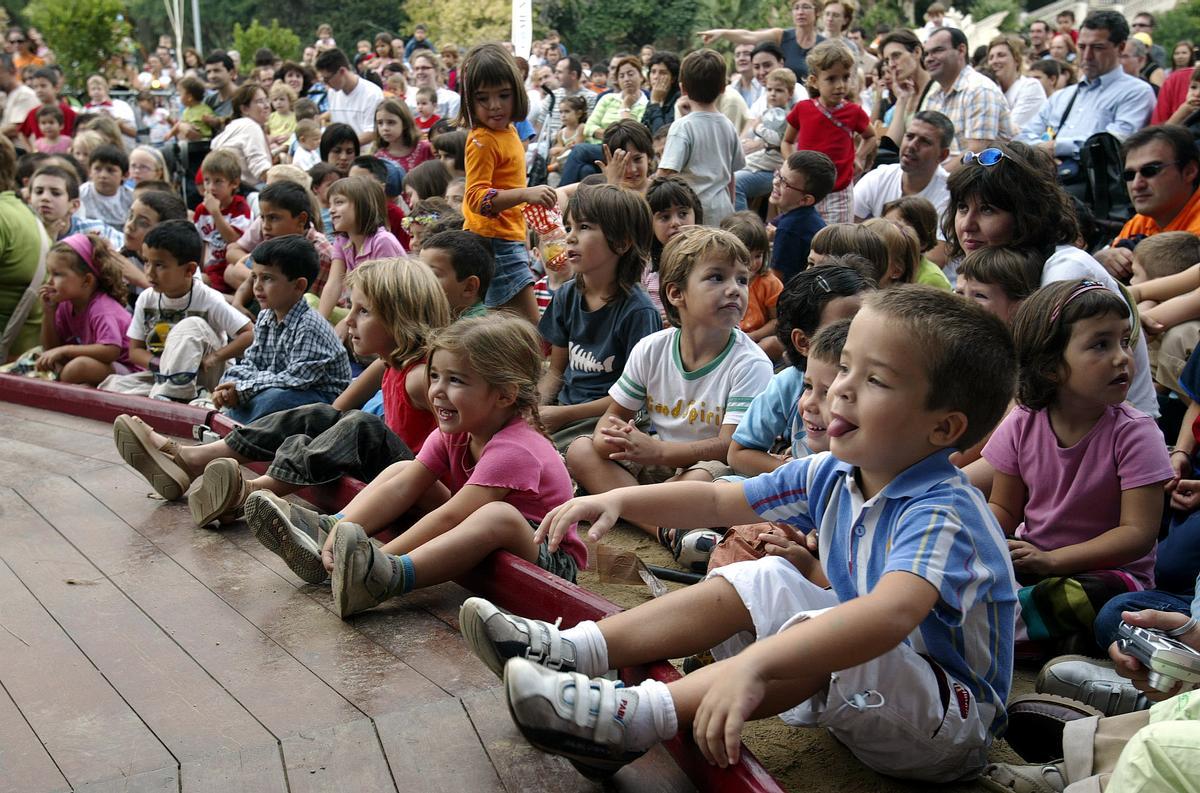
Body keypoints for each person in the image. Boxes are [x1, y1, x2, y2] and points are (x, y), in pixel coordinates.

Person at [459, 284, 1019, 783]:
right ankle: (572, 650)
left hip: (948, 729)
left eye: (873, 380)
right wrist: (618, 496)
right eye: (842, 367)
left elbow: (890, 615)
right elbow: (717, 497)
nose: (839, 391)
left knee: (821, 620)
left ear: (943, 428)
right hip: (871, 697)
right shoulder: (835, 471)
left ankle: (634, 718)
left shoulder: (942, 510)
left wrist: (755, 663)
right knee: (770, 575)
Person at [259, 315, 589, 618]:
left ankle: (384, 577)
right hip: (479, 528)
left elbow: (451, 516)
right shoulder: (457, 431)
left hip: (548, 557)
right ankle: (326, 529)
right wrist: (341, 537)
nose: (437, 391)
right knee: (400, 471)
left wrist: (380, 558)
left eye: (456, 380)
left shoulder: (516, 448)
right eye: (434, 376)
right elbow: (405, 487)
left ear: (504, 396)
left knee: (497, 516)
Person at [980, 279, 1170, 652]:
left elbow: (1137, 534)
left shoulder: (1136, 433)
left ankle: (1002, 629)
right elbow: (1003, 508)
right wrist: (979, 545)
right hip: (1035, 559)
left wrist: (1054, 561)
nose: (1122, 358)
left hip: (1109, 571)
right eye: (1101, 344)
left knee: (1106, 600)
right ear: (1050, 366)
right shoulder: (1023, 421)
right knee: (971, 570)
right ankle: (1037, 630)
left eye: (1125, 341)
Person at [565, 226, 774, 552]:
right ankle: (665, 529)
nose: (735, 289)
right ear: (676, 294)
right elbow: (613, 418)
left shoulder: (750, 363)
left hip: (709, 470)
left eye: (742, 279)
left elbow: (727, 446)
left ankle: (630, 506)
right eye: (717, 277)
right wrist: (613, 439)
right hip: (659, 462)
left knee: (704, 480)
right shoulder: (652, 349)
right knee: (582, 450)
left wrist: (658, 452)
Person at [944, 143, 1160, 418]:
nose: (966, 225)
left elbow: (1029, 401)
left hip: (1113, 439)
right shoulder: (988, 272)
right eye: (963, 208)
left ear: (1025, 215)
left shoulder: (1066, 269)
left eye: (987, 210)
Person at [538, 184, 661, 450]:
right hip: (565, 411)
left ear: (621, 242)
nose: (569, 237)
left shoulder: (638, 312)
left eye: (583, 227)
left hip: (615, 419)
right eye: (569, 227)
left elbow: (636, 398)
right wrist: (538, 406)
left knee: (569, 454)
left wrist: (562, 415)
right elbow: (556, 371)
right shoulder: (566, 295)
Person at [727, 264, 871, 475]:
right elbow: (739, 453)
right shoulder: (789, 384)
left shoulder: (877, 391)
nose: (863, 339)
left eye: (868, 327)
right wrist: (796, 472)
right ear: (803, 341)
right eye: (844, 330)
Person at [201, 235, 350, 430]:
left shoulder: (309, 325)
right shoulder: (265, 317)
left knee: (273, 399)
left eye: (268, 278)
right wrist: (231, 384)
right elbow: (252, 363)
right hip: (279, 387)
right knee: (243, 384)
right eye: (255, 277)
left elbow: (295, 380)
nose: (257, 286)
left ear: (298, 286)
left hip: (323, 400)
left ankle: (236, 430)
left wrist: (244, 389)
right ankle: (232, 424)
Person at [100, 220, 252, 404]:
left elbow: (249, 333)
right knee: (111, 386)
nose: (149, 272)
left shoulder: (208, 298)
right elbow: (135, 351)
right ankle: (185, 397)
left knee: (191, 325)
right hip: (164, 373)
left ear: (189, 270)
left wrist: (214, 357)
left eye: (160, 265)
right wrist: (165, 365)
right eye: (147, 262)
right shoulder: (147, 298)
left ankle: (176, 396)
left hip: (207, 374)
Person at [459, 43, 551, 325]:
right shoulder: (483, 140)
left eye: (503, 95)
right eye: (483, 98)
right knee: (527, 329)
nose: (495, 105)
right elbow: (477, 196)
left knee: (507, 329)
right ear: (469, 103)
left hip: (507, 237)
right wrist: (526, 194)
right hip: (492, 242)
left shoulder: (508, 130)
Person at [1016, 11, 1156, 172]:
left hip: (1095, 189)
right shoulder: (1062, 96)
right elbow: (1023, 137)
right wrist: (1042, 149)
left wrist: (1055, 147)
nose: (1087, 56)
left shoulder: (1136, 93)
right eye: (1082, 47)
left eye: (1098, 48)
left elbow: (1114, 143)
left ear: (1121, 48)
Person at [781, 41, 874, 224]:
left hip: (839, 192)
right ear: (814, 81)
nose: (840, 85)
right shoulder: (803, 109)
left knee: (836, 242)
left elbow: (870, 137)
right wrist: (791, 165)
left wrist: (859, 156)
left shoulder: (854, 112)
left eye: (845, 77)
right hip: (805, 191)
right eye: (831, 79)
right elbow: (787, 142)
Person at [1097, 125, 1200, 281]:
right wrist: (1101, 259)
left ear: (1189, 171)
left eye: (1150, 170)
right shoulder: (1141, 220)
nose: (1137, 184)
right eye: (1129, 175)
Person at [658, 49, 744, 227]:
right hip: (723, 210)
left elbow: (666, 173)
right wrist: (732, 207)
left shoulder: (682, 126)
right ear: (722, 88)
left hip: (689, 213)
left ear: (683, 89)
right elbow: (731, 176)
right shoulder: (727, 125)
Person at [35, 233, 133, 385]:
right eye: (49, 273)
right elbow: (51, 349)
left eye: (57, 274)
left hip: (128, 371)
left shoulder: (102, 308)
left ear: (87, 280)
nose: (49, 281)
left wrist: (66, 350)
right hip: (101, 366)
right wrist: (49, 313)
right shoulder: (66, 305)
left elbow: (111, 351)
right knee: (44, 361)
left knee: (77, 368)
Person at [319, 176, 404, 324]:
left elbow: (385, 297)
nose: (331, 210)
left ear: (362, 205)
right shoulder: (342, 241)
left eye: (339, 202)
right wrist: (317, 326)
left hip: (391, 316)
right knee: (310, 302)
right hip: (363, 311)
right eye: (330, 204)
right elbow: (334, 284)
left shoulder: (382, 241)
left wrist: (347, 323)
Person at [919, 28, 1013, 159]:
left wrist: (931, 178)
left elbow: (975, 156)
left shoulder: (980, 89)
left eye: (937, 51)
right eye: (926, 54)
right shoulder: (934, 95)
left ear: (961, 50)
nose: (929, 59)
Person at [853, 110, 952, 229]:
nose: (911, 145)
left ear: (943, 155)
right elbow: (849, 231)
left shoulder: (949, 195)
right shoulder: (878, 177)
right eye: (909, 136)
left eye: (925, 141)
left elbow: (941, 247)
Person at [700, 0, 825, 81]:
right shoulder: (782, 35)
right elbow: (749, 36)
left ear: (817, 12)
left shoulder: (824, 44)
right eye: (796, 8)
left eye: (806, 7)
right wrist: (722, 33)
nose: (800, 12)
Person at [734, 67, 796, 211]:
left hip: (772, 167)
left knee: (734, 181)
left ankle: (743, 226)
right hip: (763, 162)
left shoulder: (784, 115)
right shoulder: (769, 112)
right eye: (769, 90)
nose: (773, 94)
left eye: (779, 90)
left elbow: (776, 139)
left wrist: (758, 128)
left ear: (790, 93)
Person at [721, 212, 781, 358]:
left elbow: (777, 320)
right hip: (724, 337)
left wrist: (753, 336)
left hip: (756, 341)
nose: (753, 263)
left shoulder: (769, 283)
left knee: (773, 343)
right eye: (747, 256)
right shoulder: (719, 282)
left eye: (758, 256)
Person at [770, 150, 835, 284]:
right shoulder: (807, 217)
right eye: (778, 174)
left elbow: (776, 280)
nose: (776, 182)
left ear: (805, 199)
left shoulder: (789, 229)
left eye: (785, 182)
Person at [192, 149, 252, 293]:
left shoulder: (240, 207)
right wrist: (199, 269)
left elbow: (235, 240)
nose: (211, 187)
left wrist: (215, 213)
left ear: (234, 183)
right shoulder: (201, 210)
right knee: (196, 283)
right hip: (211, 270)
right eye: (207, 181)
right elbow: (201, 244)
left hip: (232, 268)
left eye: (218, 181)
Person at [29, 165, 125, 252]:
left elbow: (127, 248)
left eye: (56, 193)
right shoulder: (23, 231)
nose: (45, 197)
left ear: (74, 205)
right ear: (29, 199)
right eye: (39, 192)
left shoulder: (95, 230)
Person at [418, 229, 492, 318]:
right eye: (420, 271)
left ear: (469, 287)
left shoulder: (475, 329)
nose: (419, 280)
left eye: (432, 275)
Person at [316, 48, 383, 145]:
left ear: (342, 71)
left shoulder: (372, 93)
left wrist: (343, 146)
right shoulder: (333, 92)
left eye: (327, 79)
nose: (326, 84)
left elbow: (372, 132)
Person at [210, 84, 273, 186]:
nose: (267, 105)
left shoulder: (234, 126)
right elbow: (261, 169)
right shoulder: (250, 126)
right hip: (246, 191)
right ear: (244, 109)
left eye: (267, 100)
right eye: (260, 101)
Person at [987, 35, 1048, 133]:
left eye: (1001, 55)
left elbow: (1008, 132)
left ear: (1016, 59)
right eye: (991, 57)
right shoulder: (992, 90)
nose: (994, 61)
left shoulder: (1030, 87)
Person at [79, 145, 133, 232]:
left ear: (125, 175)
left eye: (110, 170)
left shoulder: (129, 197)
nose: (103, 175)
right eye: (97, 169)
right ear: (89, 172)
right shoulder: (82, 193)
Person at [405, 51, 460, 121]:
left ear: (436, 71)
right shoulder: (408, 101)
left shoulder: (452, 98)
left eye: (424, 68)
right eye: (416, 69)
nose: (420, 72)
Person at [643, 52, 682, 135]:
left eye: (662, 73)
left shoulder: (678, 101)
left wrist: (655, 104)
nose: (656, 77)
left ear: (673, 78)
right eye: (653, 72)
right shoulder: (652, 98)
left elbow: (661, 136)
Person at [201, 51, 239, 136]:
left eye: (217, 71)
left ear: (231, 73)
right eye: (208, 72)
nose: (212, 76)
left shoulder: (243, 97)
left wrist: (219, 123)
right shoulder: (209, 101)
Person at [729, 42, 762, 107]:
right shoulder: (731, 89)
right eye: (737, 55)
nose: (741, 58)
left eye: (747, 54)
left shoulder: (765, 87)